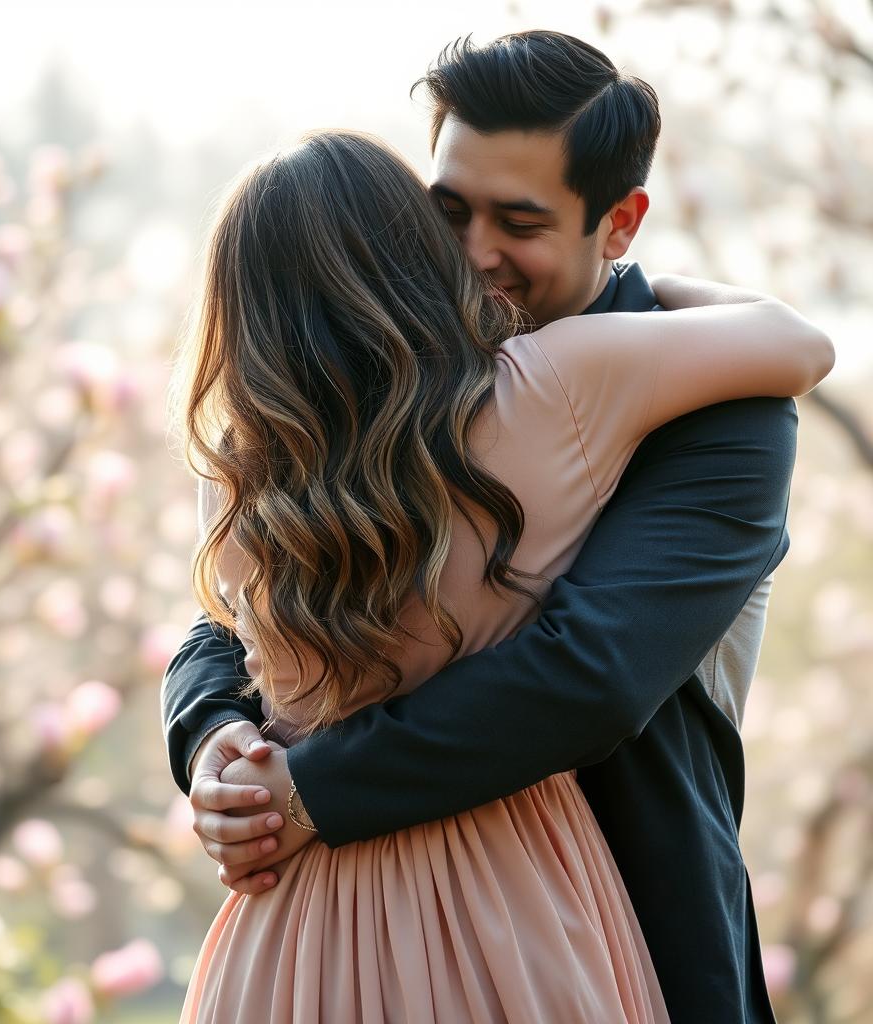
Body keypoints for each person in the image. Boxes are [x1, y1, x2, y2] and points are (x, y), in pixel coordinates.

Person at [161, 32, 830, 1023]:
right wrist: (212, 730)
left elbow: (587, 673)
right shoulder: (374, 395)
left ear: (619, 224)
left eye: (517, 222)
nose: (473, 256)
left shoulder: (719, 412)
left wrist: (303, 792)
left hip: (625, 920)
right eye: (447, 212)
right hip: (346, 903)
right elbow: (233, 612)